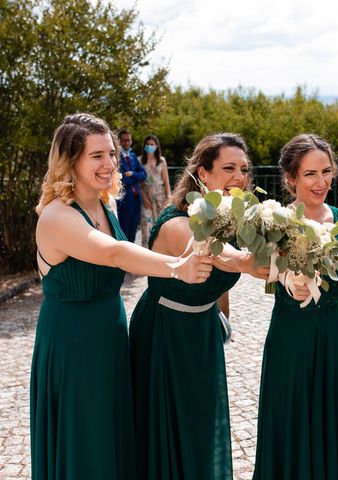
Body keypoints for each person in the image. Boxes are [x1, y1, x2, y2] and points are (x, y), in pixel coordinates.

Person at [31, 113, 214, 480]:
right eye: (96, 155)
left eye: (112, 153)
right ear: (70, 160)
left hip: (111, 336)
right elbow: (115, 253)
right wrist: (178, 266)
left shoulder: (106, 204)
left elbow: (129, 250)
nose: (110, 163)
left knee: (112, 435)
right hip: (72, 345)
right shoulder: (56, 216)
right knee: (84, 441)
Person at [129, 133, 269, 480]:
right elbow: (214, 252)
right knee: (167, 426)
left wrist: (222, 318)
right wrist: (248, 263)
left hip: (203, 333)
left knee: (201, 422)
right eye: (228, 168)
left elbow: (219, 284)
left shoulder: (236, 221)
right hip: (165, 333)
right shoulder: (177, 223)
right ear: (203, 174)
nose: (240, 177)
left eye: (244, 169)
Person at [252, 134, 338, 480]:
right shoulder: (273, 222)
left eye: (326, 171)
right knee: (294, 418)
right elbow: (263, 273)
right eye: (310, 174)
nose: (321, 182)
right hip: (294, 336)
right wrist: (285, 278)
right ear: (291, 179)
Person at [139, 134, 171, 247]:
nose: (149, 146)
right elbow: (138, 183)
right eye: (147, 144)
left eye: (152, 144)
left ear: (156, 146)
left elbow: (166, 181)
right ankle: (146, 251)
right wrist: (144, 198)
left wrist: (168, 198)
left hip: (160, 196)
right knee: (146, 224)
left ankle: (159, 250)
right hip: (146, 195)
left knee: (161, 225)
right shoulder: (139, 161)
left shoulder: (161, 161)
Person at [117, 129, 147, 242]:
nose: (126, 143)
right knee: (124, 231)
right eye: (123, 140)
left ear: (131, 141)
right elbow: (121, 179)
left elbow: (144, 175)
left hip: (136, 199)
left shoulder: (133, 156)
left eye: (128, 140)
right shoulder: (116, 157)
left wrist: (133, 174)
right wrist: (135, 178)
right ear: (119, 141)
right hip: (124, 200)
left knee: (133, 231)